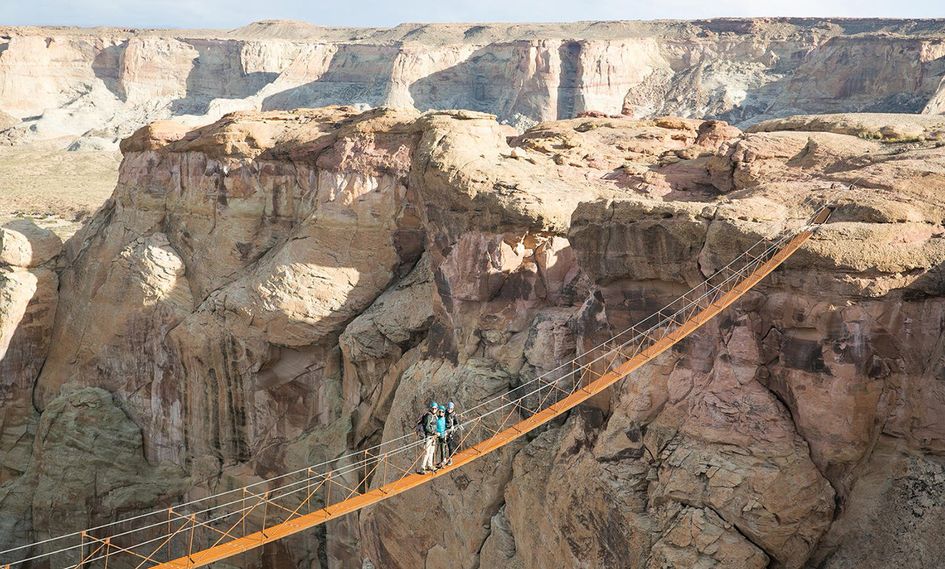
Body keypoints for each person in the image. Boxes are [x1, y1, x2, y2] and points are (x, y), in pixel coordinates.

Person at [417, 402, 439, 474]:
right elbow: (426, 427)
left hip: (433, 437)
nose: (434, 410)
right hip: (428, 436)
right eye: (433, 408)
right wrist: (434, 432)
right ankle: (422, 467)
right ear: (430, 408)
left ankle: (430, 465)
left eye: (435, 408)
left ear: (437, 409)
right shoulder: (429, 416)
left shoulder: (435, 416)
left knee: (431, 452)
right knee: (426, 452)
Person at [443, 401, 459, 465]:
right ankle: (443, 460)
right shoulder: (444, 413)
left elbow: (457, 424)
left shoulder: (454, 415)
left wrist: (453, 428)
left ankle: (450, 459)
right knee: (443, 446)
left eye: (451, 409)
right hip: (444, 431)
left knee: (450, 446)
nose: (450, 410)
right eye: (449, 408)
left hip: (450, 432)